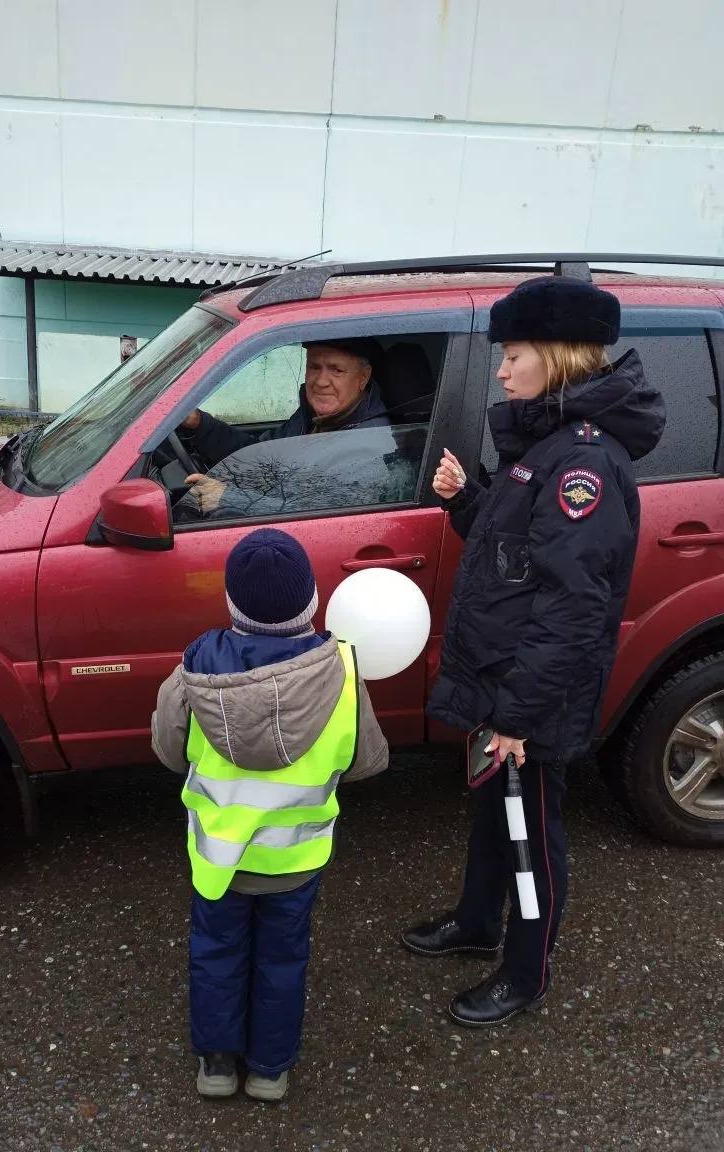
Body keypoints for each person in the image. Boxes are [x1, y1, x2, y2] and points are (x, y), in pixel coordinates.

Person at [402, 276, 665, 1026]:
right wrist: (465, 501)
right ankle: (478, 924)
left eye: (512, 354)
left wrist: (518, 714)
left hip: (530, 694)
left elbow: (573, 608)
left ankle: (526, 969)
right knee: (494, 809)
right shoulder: (545, 446)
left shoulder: (584, 463)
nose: (501, 369)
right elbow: (516, 556)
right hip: (503, 679)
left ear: (553, 355)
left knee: (530, 834)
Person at [152, 529, 389, 1099]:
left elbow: (166, 749)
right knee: (283, 962)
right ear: (311, 601)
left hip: (217, 860)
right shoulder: (343, 672)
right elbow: (366, 761)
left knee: (215, 954)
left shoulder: (193, 672)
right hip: (295, 862)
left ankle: (215, 1064)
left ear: (231, 603)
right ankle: (268, 1070)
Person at [179, 339, 389, 513]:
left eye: (336, 370)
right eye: (314, 367)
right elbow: (259, 457)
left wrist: (228, 498)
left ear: (363, 377)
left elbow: (320, 517)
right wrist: (200, 425)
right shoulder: (312, 419)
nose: (321, 381)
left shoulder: (369, 446)